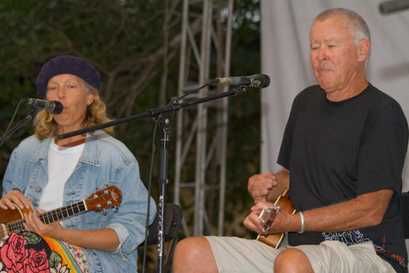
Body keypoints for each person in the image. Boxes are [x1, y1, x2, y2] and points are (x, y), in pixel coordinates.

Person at [173, 8, 408, 273]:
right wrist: (268, 187)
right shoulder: (305, 103)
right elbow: (293, 178)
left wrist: (296, 223)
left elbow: (371, 210)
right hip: (297, 248)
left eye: (331, 45)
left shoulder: (383, 113)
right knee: (191, 251)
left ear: (362, 51)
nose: (321, 55)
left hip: (369, 250)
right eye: (314, 47)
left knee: (292, 262)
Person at [0, 55, 156, 273]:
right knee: (19, 251)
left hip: (95, 262)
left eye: (70, 86)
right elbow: (6, 222)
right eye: (53, 88)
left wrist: (60, 234)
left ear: (91, 97)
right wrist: (7, 204)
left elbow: (128, 230)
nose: (60, 94)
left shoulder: (114, 156)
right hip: (20, 249)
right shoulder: (27, 150)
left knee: (23, 253)